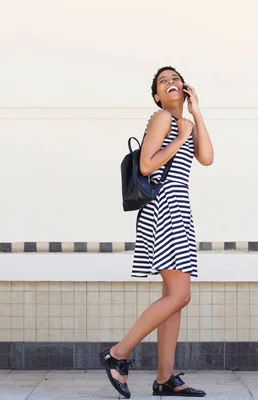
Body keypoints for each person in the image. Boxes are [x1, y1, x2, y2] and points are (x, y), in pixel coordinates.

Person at [99, 66, 214, 398]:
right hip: (164, 210)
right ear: (157, 96)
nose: (172, 83)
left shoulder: (185, 122)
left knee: (173, 299)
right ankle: (117, 355)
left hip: (180, 212)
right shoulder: (162, 118)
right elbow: (147, 166)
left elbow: (206, 158)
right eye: (164, 82)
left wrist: (196, 113)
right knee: (180, 295)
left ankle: (164, 379)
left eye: (176, 79)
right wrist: (179, 137)